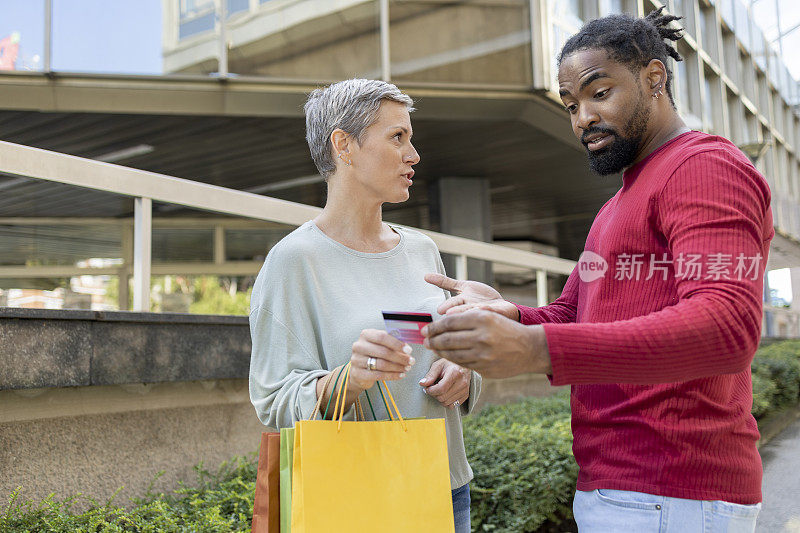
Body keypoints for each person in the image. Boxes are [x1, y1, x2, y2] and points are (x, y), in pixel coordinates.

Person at [422, 8, 771, 532]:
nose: (582, 117)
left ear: (655, 78)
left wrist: (535, 349)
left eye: (599, 93)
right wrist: (511, 314)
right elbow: (573, 312)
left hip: (674, 493)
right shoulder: (618, 204)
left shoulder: (703, 167)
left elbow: (727, 326)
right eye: (570, 104)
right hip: (625, 490)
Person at [248, 78, 481, 532]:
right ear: (344, 145)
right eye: (398, 137)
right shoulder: (294, 262)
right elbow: (274, 399)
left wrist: (466, 375)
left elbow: (448, 349)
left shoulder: (422, 250)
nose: (413, 155)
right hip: (354, 498)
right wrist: (348, 381)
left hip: (445, 488)